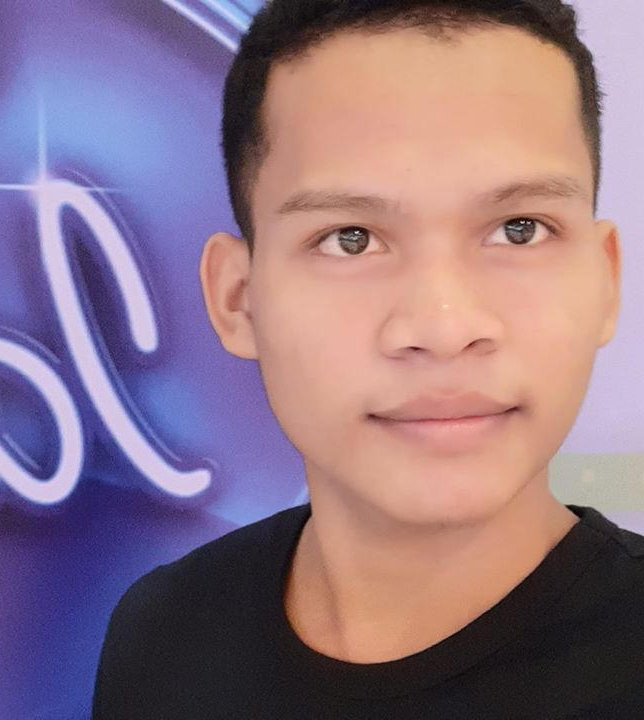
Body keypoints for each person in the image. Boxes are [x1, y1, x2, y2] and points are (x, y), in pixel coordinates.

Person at [92, 1, 644, 717]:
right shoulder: (163, 634)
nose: (443, 328)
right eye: (349, 238)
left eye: (519, 229)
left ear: (605, 281)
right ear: (238, 299)